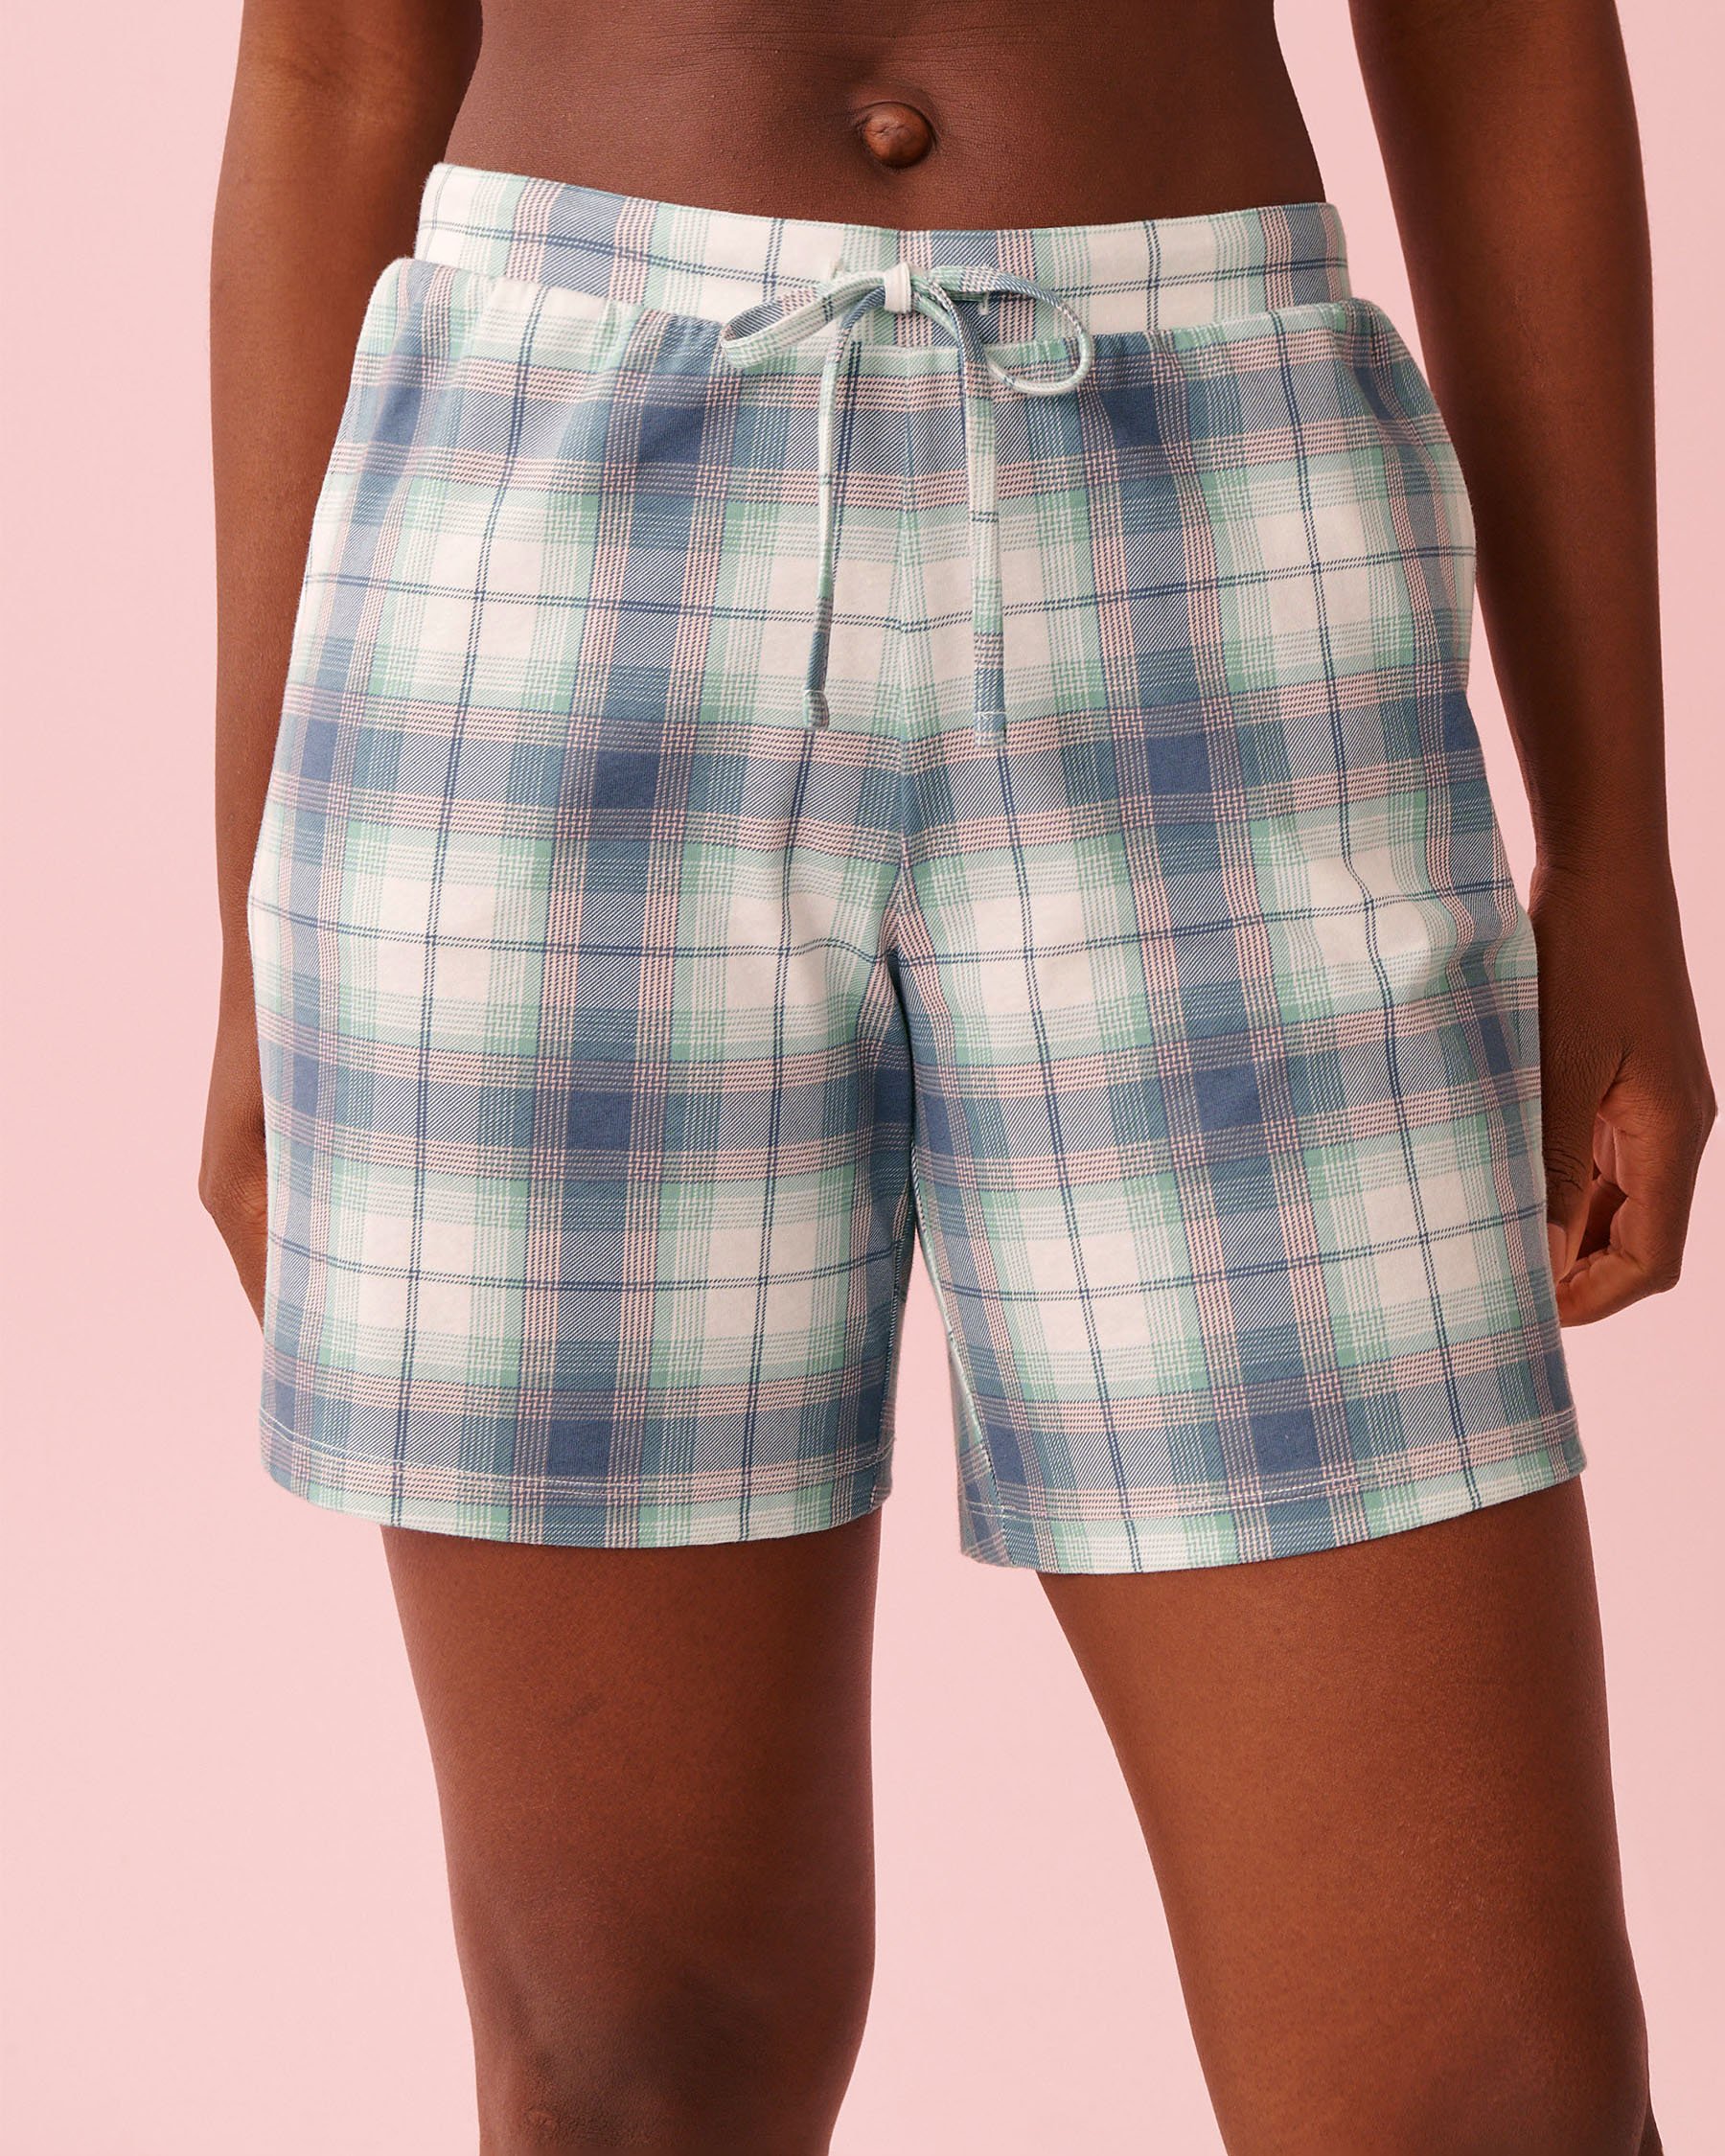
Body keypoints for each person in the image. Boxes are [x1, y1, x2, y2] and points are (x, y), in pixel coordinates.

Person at [201, 0, 1712, 2147]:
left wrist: (1614, 856)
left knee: (1485, 2092)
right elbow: (339, 63)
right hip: (552, 545)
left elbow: (1498, 39)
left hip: (1210, 504)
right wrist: (254, 904)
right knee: (638, 2051)